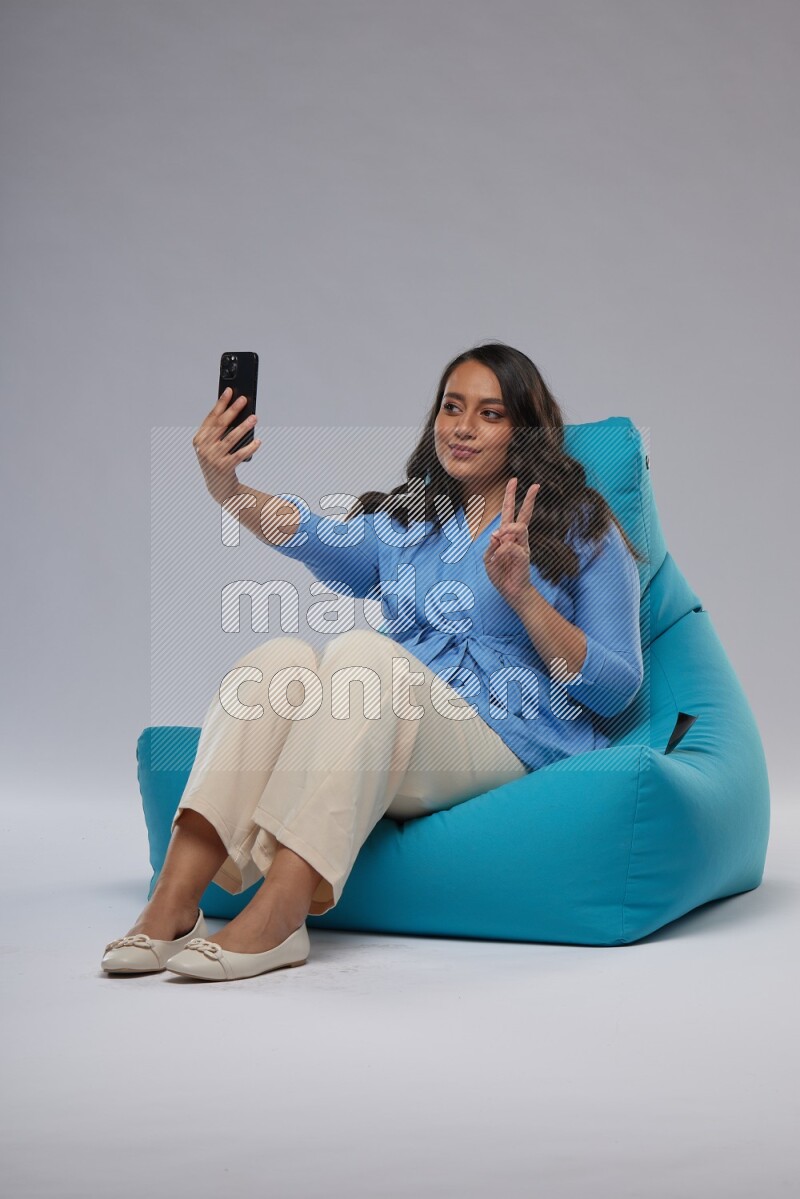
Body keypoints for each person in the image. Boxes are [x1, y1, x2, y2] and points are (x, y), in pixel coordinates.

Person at [101, 342, 645, 981]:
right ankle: (173, 903)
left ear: (524, 429)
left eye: (490, 414)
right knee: (278, 661)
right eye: (452, 407)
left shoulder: (583, 528)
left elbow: (617, 689)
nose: (463, 427)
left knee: (363, 654)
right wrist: (229, 489)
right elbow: (306, 530)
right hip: (391, 728)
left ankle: (281, 915)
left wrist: (524, 594)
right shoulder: (412, 520)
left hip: (507, 736)